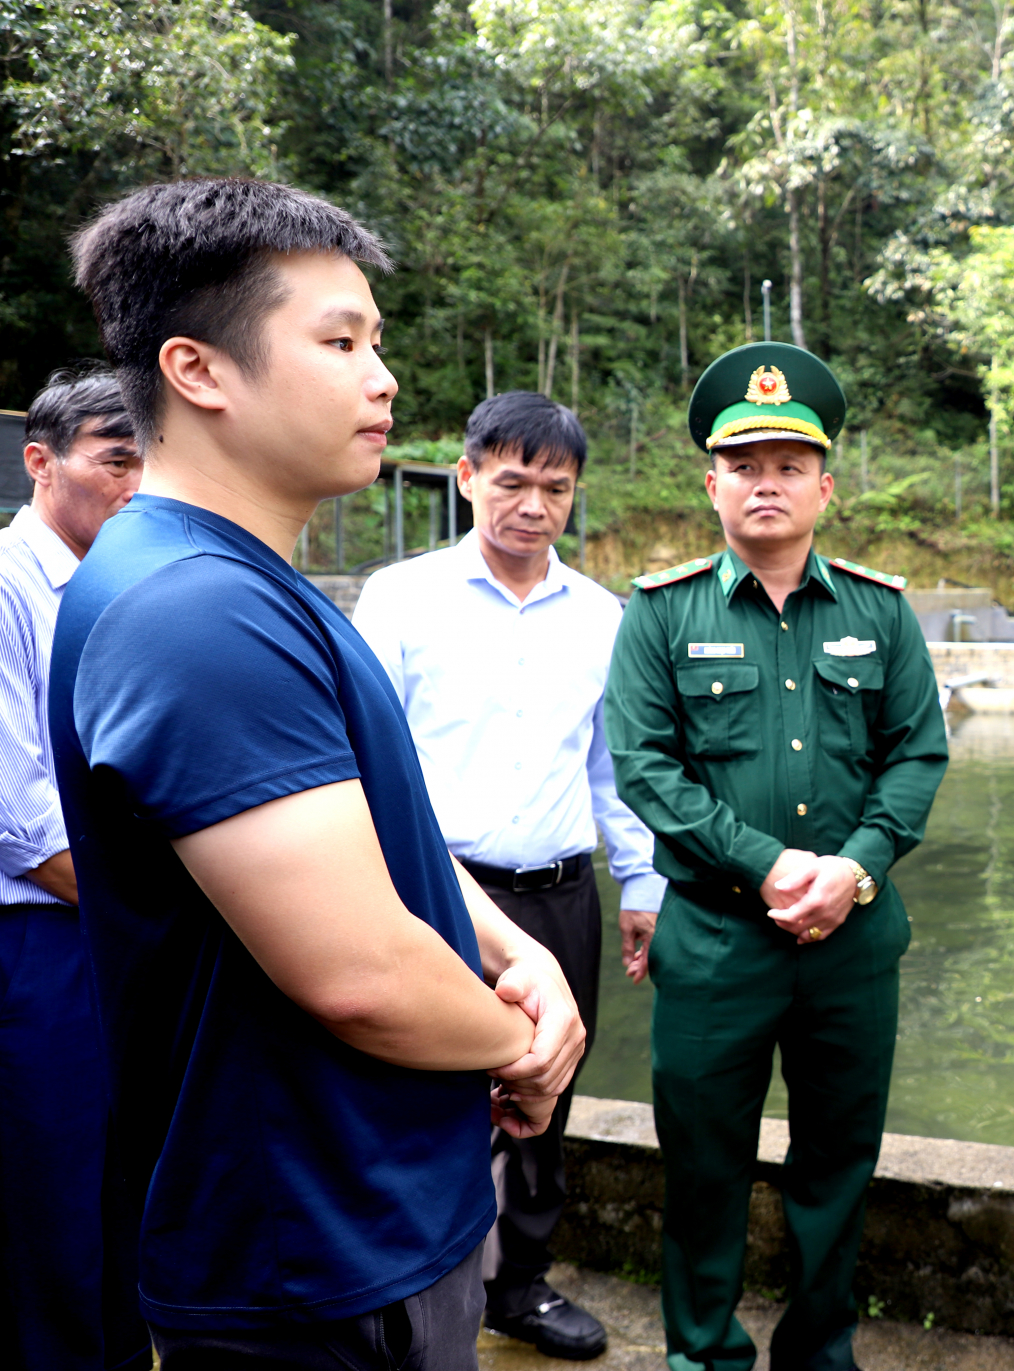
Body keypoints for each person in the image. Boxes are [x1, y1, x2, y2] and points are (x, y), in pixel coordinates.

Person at [55, 177, 586, 1370]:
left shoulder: (252, 584)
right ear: (199, 371)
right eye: (338, 341)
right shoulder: (192, 613)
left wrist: (516, 951)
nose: (381, 375)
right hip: (307, 1252)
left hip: (374, 1205)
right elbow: (358, 974)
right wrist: (523, 1044)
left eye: (377, 342)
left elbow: (374, 849)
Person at [604, 341, 948, 1371]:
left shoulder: (881, 612)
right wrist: (767, 864)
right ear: (712, 483)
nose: (767, 482)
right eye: (745, 463)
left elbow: (917, 753)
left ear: (824, 486)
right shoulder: (662, 612)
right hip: (713, 940)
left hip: (853, 941)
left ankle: (820, 1352)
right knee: (703, 1165)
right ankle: (703, 1353)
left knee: (837, 1163)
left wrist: (856, 867)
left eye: (789, 464)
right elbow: (646, 767)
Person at [353, 389, 667, 1360]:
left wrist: (642, 883)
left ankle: (519, 1287)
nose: (532, 505)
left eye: (555, 487)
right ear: (468, 476)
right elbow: (370, 760)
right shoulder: (401, 598)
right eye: (513, 481)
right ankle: (400, 1280)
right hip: (439, 892)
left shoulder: (603, 616)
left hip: (564, 890)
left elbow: (612, 766)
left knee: (546, 1086)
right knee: (423, 1084)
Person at [0, 367, 146, 1371]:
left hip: (126, 929)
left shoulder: (128, 583)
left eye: (149, 460)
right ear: (41, 463)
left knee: (129, 1185)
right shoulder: (11, 588)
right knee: (54, 1195)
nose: (137, 483)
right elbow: (21, 817)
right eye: (116, 458)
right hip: (48, 939)